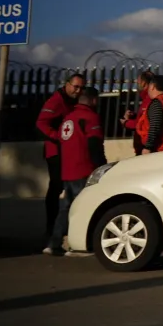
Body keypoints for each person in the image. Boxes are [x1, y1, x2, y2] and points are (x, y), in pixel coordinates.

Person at [45, 86, 106, 256]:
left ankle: (54, 243)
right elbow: (94, 145)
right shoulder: (90, 117)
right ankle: (75, 245)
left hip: (67, 171)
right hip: (84, 169)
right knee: (82, 208)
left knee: (65, 208)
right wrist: (101, 166)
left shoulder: (68, 119)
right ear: (93, 100)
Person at [35, 72, 84, 240]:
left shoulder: (73, 102)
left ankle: (62, 226)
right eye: (75, 87)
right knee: (56, 187)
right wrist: (57, 136)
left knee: (67, 187)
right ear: (67, 84)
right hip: (55, 151)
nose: (78, 91)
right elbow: (41, 122)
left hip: (67, 151)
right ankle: (51, 227)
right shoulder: (56, 101)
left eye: (81, 88)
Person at [120, 71, 156, 156]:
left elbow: (144, 123)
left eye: (138, 82)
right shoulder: (147, 98)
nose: (137, 85)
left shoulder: (149, 99)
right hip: (143, 145)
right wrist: (135, 116)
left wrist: (126, 123)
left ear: (143, 83)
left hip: (145, 146)